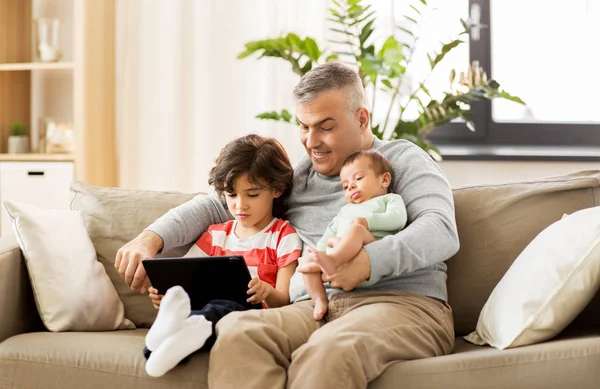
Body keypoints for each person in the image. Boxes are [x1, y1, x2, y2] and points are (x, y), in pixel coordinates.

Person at [115, 62, 459, 389]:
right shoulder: (300, 179)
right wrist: (151, 238)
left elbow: (440, 229)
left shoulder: (401, 160)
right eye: (304, 127)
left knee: (330, 350)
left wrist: (368, 264)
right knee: (238, 330)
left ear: (362, 118)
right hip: (310, 308)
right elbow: (216, 205)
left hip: (401, 304)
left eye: (325, 126)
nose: (311, 141)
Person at [139, 134, 302, 377]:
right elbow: (184, 277)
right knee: (197, 308)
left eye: (252, 194)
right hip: (203, 310)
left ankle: (183, 332)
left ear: (276, 189)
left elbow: (285, 298)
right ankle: (160, 346)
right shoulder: (215, 235)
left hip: (248, 318)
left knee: (222, 308)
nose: (240, 205)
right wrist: (167, 294)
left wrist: (267, 292)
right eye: (232, 195)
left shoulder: (282, 236)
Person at [303, 149, 407, 320]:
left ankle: (334, 261)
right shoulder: (345, 210)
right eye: (345, 186)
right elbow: (326, 237)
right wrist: (317, 255)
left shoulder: (389, 199)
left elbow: (398, 219)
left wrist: (367, 222)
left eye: (358, 178)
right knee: (307, 260)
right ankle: (320, 300)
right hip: (340, 257)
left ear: (384, 179)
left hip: (370, 251)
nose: (351, 186)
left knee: (356, 230)